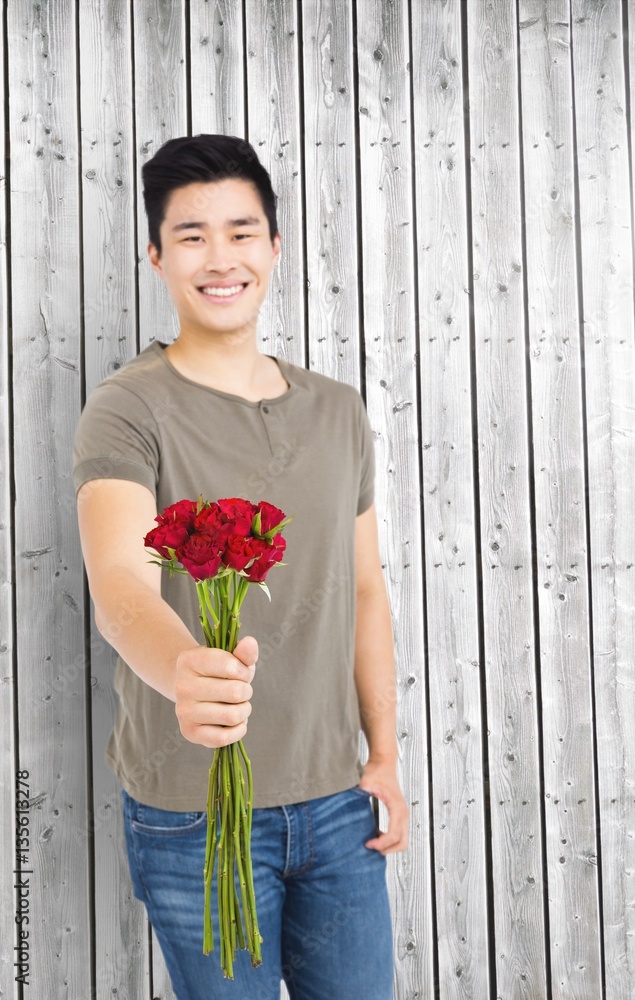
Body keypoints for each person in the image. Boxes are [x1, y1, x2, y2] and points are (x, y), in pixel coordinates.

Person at [73, 134, 408, 999]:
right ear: (156, 256)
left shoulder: (338, 411)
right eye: (190, 236)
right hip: (194, 812)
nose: (219, 258)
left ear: (273, 247)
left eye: (240, 231)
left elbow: (364, 589)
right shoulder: (127, 408)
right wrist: (182, 667)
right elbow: (118, 586)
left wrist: (384, 757)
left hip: (337, 804)